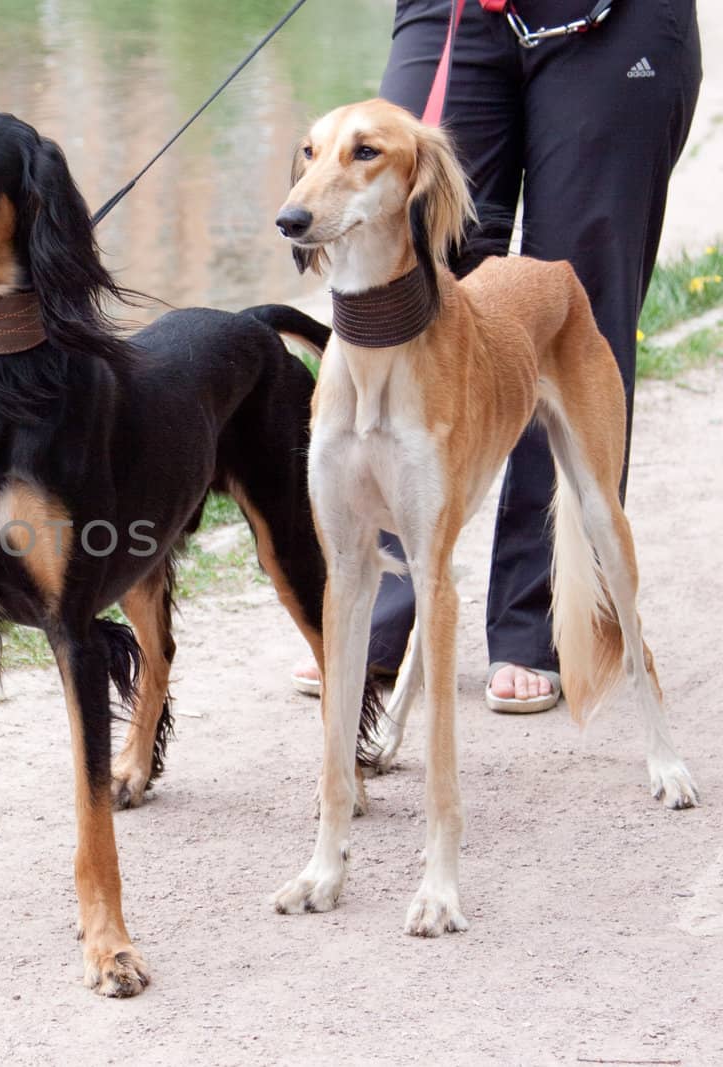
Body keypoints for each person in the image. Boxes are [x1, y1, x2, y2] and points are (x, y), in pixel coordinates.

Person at [292, 0, 703, 712]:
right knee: (409, 252)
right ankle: (386, 598)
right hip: (457, 11)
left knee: (574, 296)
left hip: (615, 20)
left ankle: (534, 617)